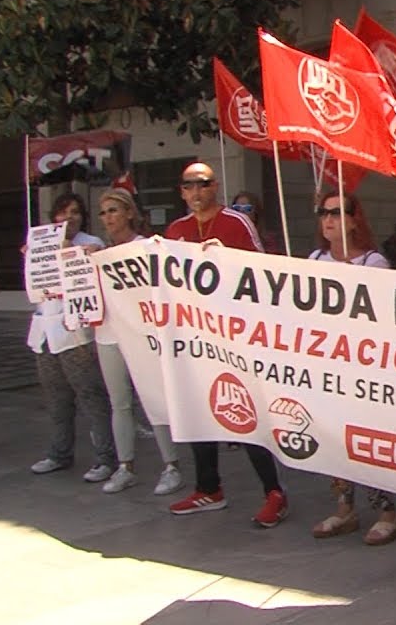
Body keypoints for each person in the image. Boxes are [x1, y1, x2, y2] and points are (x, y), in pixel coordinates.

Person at [164, 162, 289, 528]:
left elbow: (261, 272)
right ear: (182, 192)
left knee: (244, 414)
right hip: (195, 340)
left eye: (202, 184)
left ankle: (274, 492)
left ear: (214, 186)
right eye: (188, 186)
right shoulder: (176, 230)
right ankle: (209, 488)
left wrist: (227, 261)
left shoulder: (235, 222)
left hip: (235, 338)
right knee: (198, 414)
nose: (196, 192)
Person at [306, 191, 396, 546]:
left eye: (337, 212)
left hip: (364, 370)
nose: (328, 218)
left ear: (354, 218)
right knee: (333, 441)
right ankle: (344, 509)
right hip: (325, 366)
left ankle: (387, 513)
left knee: (367, 441)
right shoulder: (314, 258)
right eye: (323, 212)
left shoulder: (373, 263)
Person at [94, 189, 184, 496]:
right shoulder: (97, 253)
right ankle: (125, 466)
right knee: (118, 401)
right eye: (103, 212)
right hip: (107, 333)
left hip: (142, 333)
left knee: (153, 399)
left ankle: (171, 465)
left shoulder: (145, 247)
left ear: (130, 213)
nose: (108, 218)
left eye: (113, 210)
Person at [27, 193, 117, 483]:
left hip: (76, 335)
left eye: (76, 212)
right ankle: (59, 453)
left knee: (91, 396)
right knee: (56, 398)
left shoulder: (91, 244)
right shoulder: (40, 243)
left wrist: (71, 252)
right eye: (64, 212)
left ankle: (106, 458)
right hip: (45, 330)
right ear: (54, 217)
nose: (70, 217)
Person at [231, 191, 282, 255]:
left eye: (247, 208)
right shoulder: (229, 236)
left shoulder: (269, 240)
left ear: (256, 212)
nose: (241, 212)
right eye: (237, 208)